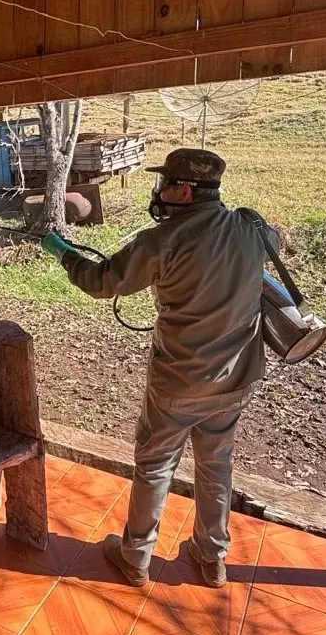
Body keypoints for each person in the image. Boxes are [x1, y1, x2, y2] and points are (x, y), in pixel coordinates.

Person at [41, 148, 279, 589]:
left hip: (178, 383)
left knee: (155, 466)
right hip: (236, 381)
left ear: (184, 190)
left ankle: (135, 557)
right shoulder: (252, 229)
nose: (160, 190)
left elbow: (101, 282)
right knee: (216, 465)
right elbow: (273, 243)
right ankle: (213, 557)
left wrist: (63, 252)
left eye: (166, 182)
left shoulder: (162, 240)